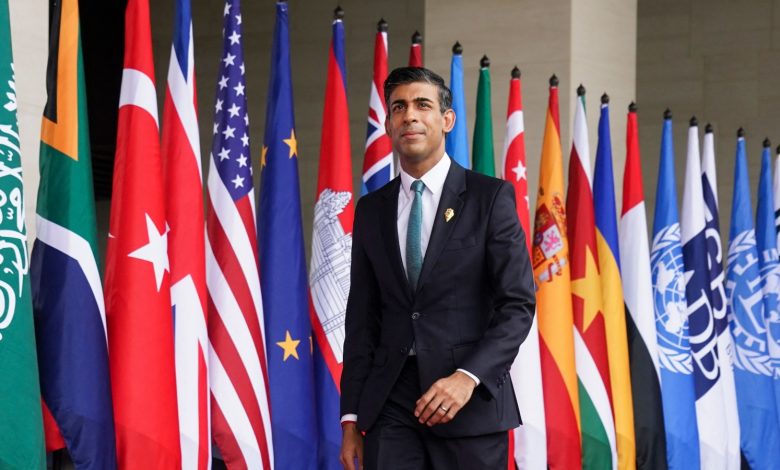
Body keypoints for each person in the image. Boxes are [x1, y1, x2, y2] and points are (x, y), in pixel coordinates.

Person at [339, 67, 535, 470]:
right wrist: (352, 417)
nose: (409, 115)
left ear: (447, 120)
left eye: (422, 105)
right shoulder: (371, 210)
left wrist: (468, 377)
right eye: (399, 107)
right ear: (389, 124)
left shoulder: (489, 198)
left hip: (468, 402)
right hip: (390, 404)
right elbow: (362, 319)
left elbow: (517, 304)